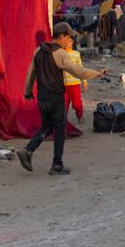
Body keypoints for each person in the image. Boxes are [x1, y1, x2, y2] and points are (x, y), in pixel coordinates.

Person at [18, 23, 104, 175]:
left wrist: (28, 92)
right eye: (68, 37)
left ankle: (28, 150)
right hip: (55, 97)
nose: (69, 40)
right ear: (62, 37)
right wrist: (96, 73)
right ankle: (57, 165)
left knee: (46, 127)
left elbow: (30, 73)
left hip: (42, 97)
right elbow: (78, 72)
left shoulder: (38, 50)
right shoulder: (60, 54)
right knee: (60, 129)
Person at [57, 28, 88, 127]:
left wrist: (85, 82)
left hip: (74, 84)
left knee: (77, 104)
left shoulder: (76, 54)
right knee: (64, 104)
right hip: (63, 85)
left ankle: (80, 115)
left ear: (73, 42)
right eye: (66, 40)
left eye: (70, 41)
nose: (67, 43)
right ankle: (63, 122)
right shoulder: (59, 53)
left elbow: (80, 68)